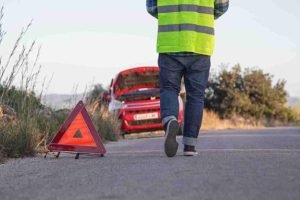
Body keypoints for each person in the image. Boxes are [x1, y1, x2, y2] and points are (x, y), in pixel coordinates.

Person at [146, 0, 229, 157]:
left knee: (169, 89)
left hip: (169, 43)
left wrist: (169, 18)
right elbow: (222, 6)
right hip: (200, 43)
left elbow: (151, 7)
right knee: (195, 96)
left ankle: (170, 120)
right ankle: (190, 146)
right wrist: (203, 17)